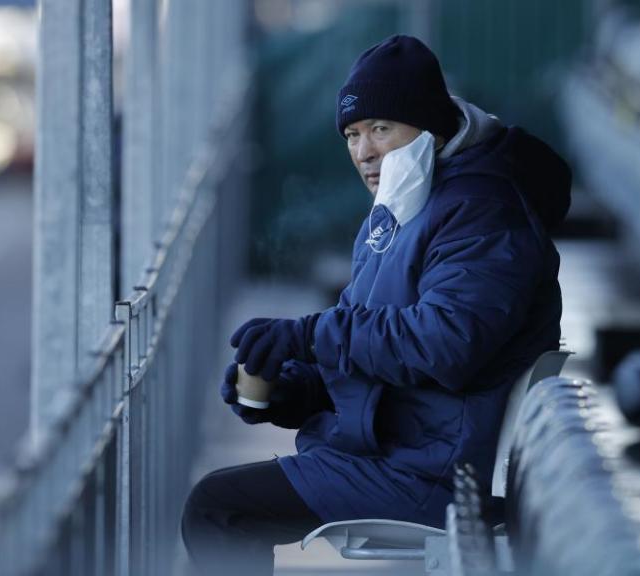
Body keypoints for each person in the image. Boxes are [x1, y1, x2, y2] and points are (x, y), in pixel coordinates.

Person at [181, 34, 570, 574]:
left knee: (218, 509)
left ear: (431, 129)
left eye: (382, 129)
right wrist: (291, 391)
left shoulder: (482, 212)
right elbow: (372, 347)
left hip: (436, 472)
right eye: (353, 134)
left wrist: (307, 335)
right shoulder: (403, 206)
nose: (364, 151)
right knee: (223, 505)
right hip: (402, 451)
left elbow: (443, 344)